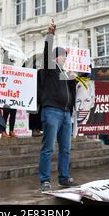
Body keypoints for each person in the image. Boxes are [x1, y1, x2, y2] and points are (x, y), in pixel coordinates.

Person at [38, 20, 78, 192]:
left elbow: (69, 94)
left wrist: (73, 80)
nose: (65, 58)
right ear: (55, 57)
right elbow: (47, 52)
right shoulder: (50, 68)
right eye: (63, 55)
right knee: (48, 147)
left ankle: (64, 177)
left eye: (66, 56)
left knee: (65, 148)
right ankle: (45, 180)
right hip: (52, 111)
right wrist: (50, 34)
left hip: (65, 113)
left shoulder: (64, 73)